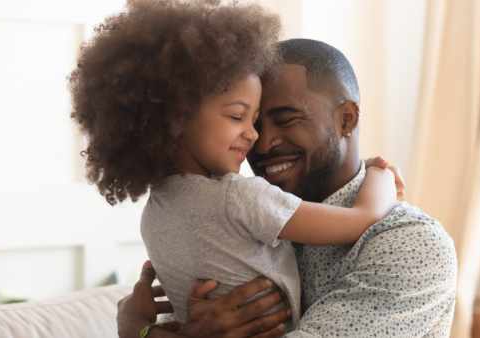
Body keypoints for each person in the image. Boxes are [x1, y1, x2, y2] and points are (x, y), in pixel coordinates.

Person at [70, 1, 403, 336]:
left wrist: (139, 329)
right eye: (236, 116)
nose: (255, 135)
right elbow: (362, 219)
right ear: (177, 118)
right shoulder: (240, 197)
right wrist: (381, 174)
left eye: (253, 119)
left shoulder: (154, 215)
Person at [117, 38, 457, 338]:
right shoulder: (229, 219)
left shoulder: (409, 242)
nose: (260, 143)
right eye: (249, 121)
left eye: (286, 119)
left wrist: (138, 333)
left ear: (347, 119)